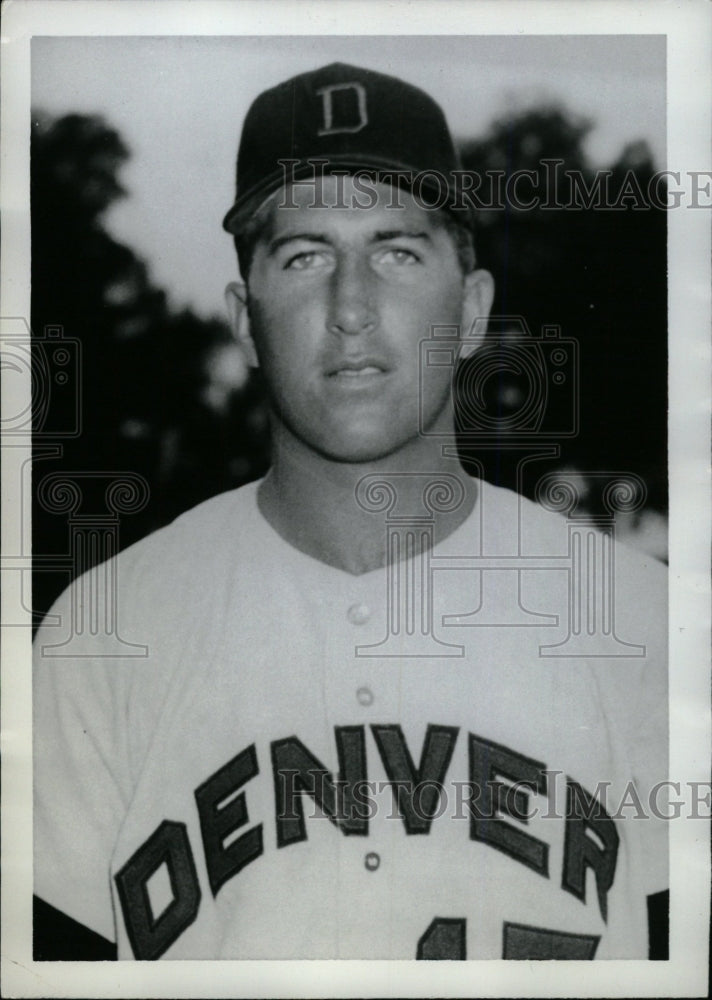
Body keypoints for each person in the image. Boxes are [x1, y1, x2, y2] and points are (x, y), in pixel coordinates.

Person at [33, 62, 668, 961]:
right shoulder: (97, 643)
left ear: (474, 309)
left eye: (398, 251)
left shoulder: (644, 628)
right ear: (246, 320)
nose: (352, 307)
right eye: (305, 256)